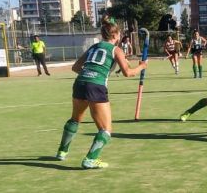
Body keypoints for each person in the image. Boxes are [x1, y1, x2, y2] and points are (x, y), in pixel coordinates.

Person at [54, 16, 147, 169]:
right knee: (106, 129)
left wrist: (90, 73)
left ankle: (62, 152)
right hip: (96, 87)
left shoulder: (94, 47)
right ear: (116, 36)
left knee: (75, 119)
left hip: (80, 83)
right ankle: (90, 159)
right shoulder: (116, 49)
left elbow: (76, 67)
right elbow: (128, 73)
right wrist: (142, 66)